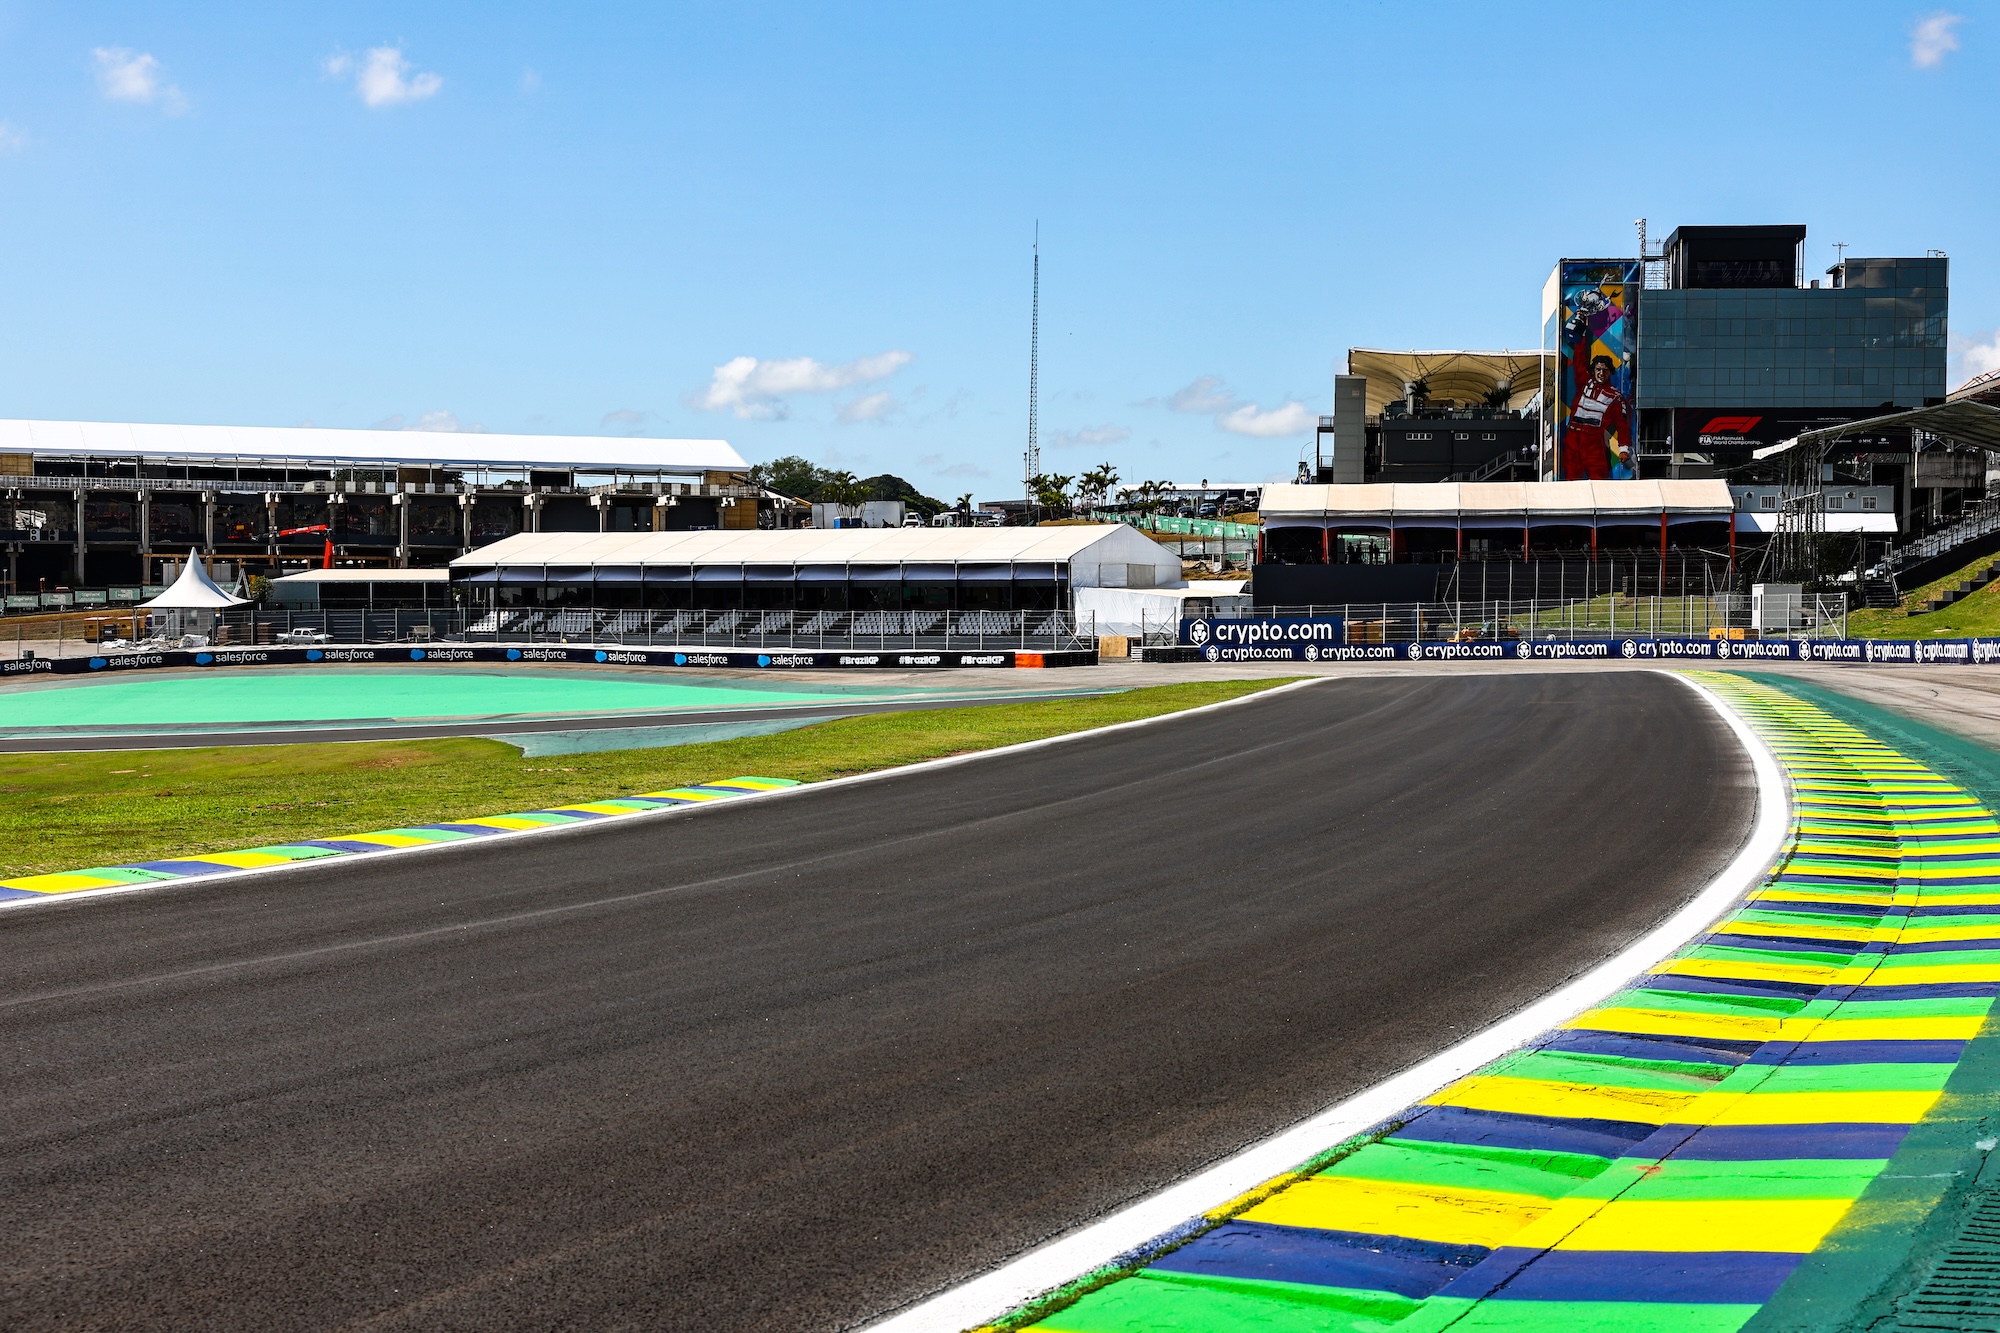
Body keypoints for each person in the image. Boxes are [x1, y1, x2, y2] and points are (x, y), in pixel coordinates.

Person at [1564, 352, 1631, 481]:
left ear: (1610, 372)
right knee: (1570, 480)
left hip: (1593, 440)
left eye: (1605, 370)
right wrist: (1580, 336)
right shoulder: (1584, 382)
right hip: (1573, 437)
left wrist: (1624, 449)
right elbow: (1579, 361)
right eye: (1598, 369)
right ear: (1593, 370)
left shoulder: (1615, 396)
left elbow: (1622, 425)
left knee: (1599, 480)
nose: (1601, 373)